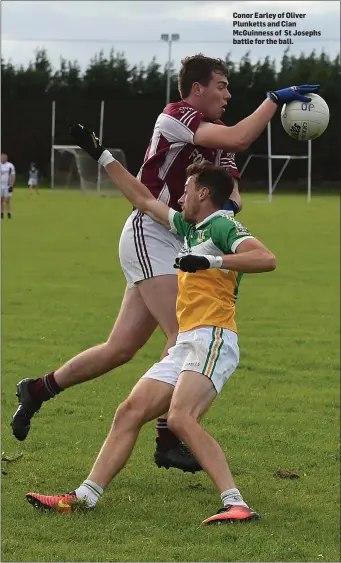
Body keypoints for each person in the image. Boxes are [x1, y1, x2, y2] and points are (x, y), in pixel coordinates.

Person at [11, 53, 319, 473]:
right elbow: (239, 141)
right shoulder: (176, 115)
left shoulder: (217, 141)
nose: (228, 94)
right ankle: (169, 435)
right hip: (151, 230)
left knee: (121, 348)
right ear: (197, 90)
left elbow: (232, 195)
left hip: (180, 237)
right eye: (221, 86)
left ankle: (38, 389)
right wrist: (273, 100)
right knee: (184, 331)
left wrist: (223, 207)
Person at [26, 134, 276, 524]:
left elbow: (266, 258)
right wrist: (102, 154)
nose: (178, 198)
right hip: (187, 344)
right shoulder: (189, 228)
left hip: (214, 338)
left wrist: (211, 262)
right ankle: (83, 498)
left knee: (179, 418)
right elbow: (142, 199)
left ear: (204, 193)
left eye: (187, 190)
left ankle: (236, 503)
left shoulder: (224, 225)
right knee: (128, 411)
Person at [1, 153, 16, 219]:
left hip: (7, 185)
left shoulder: (10, 165)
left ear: (6, 158)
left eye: (4, 157)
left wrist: (11, 185)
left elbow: (12, 175)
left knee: (7, 200)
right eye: (2, 157)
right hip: (0, 185)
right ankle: (1, 213)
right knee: (1, 199)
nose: (3, 158)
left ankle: (8, 213)